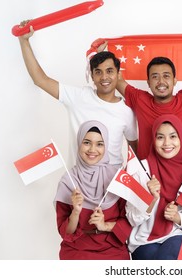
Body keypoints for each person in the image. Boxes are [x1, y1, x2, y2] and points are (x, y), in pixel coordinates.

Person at [17, 22, 137, 168]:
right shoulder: (78, 97)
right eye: (98, 72)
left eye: (109, 71)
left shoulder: (127, 110)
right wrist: (24, 41)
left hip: (112, 185)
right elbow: (40, 80)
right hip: (78, 183)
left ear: (118, 74)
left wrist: (126, 182)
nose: (104, 77)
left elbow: (134, 152)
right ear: (92, 76)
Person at [54, 120, 131, 260]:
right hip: (77, 250)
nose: (92, 150)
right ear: (79, 144)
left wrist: (105, 225)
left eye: (99, 144)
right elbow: (65, 233)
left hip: (112, 249)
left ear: (106, 146)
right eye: (87, 142)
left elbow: (130, 221)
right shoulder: (68, 181)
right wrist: (76, 213)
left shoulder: (117, 177)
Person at [116, 57, 182, 162]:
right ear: (148, 82)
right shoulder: (140, 100)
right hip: (148, 174)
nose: (161, 81)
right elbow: (115, 78)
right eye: (155, 77)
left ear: (174, 80)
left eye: (166, 76)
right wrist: (97, 54)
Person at [126, 114, 182, 259]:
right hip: (142, 240)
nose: (167, 143)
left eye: (173, 136)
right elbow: (131, 219)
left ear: (181, 138)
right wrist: (150, 199)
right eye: (160, 137)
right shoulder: (139, 168)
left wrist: (177, 217)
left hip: (177, 234)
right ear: (154, 140)